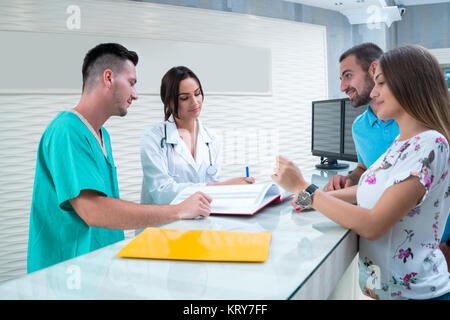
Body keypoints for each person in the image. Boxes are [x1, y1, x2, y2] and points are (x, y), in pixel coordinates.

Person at [273, 45, 450, 300]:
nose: (374, 92)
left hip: (420, 295)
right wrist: (312, 200)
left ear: (407, 84)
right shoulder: (402, 141)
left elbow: (373, 225)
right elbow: (371, 188)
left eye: (381, 83)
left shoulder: (431, 144)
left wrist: (305, 189)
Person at [27, 44, 212, 273]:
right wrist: (179, 211)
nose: (135, 94)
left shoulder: (101, 135)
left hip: (98, 270)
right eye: (132, 83)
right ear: (108, 78)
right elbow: (93, 211)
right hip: (65, 274)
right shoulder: (66, 131)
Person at [140, 66, 254, 205]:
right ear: (169, 102)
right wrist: (222, 187)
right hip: (161, 223)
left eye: (197, 93)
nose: (194, 102)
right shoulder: (154, 138)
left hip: (199, 221)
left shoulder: (211, 139)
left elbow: (212, 193)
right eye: (184, 98)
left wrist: (233, 191)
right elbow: (162, 192)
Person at [323, 42, 399, 192]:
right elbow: (364, 167)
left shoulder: (416, 119)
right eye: (341, 79)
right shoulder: (359, 127)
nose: (342, 88)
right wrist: (349, 180)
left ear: (374, 70)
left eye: (348, 76)